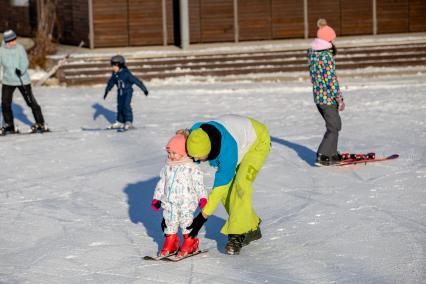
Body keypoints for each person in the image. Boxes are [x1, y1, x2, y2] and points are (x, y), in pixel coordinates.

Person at [183, 114, 271, 255]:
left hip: (258, 142)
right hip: (238, 141)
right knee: (225, 193)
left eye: (199, 157)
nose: (196, 159)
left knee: (241, 186)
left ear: (209, 150)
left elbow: (219, 188)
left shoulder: (226, 152)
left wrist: (202, 217)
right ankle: (251, 226)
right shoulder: (196, 134)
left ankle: (237, 234)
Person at [151, 133, 207, 257]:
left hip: (186, 202)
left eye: (174, 153)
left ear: (183, 152)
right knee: (170, 221)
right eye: (169, 153)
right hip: (169, 202)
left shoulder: (192, 168)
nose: (171, 156)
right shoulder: (167, 167)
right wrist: (157, 198)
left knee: (186, 222)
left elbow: (199, 184)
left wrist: (203, 197)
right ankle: (171, 242)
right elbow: (162, 183)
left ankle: (190, 242)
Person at [308, 19, 345, 166]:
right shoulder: (326, 57)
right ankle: (323, 155)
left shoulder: (313, 54)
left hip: (318, 97)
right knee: (334, 126)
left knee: (334, 126)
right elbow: (331, 80)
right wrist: (339, 98)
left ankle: (331, 153)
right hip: (328, 98)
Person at [0, 30, 47, 135]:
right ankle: (9, 125)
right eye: (11, 40)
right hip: (8, 81)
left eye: (14, 39)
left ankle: (40, 123)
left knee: (31, 102)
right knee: (5, 103)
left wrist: (21, 70)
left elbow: (24, 62)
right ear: (7, 41)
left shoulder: (20, 48)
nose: (14, 42)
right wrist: (1, 77)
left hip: (22, 79)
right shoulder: (1, 51)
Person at [103, 55, 148, 130]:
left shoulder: (126, 74)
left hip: (127, 92)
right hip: (120, 92)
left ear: (119, 65)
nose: (113, 68)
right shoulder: (115, 74)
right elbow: (111, 82)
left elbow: (136, 81)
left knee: (126, 106)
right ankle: (120, 122)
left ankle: (128, 121)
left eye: (114, 66)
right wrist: (107, 90)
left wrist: (144, 89)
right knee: (120, 106)